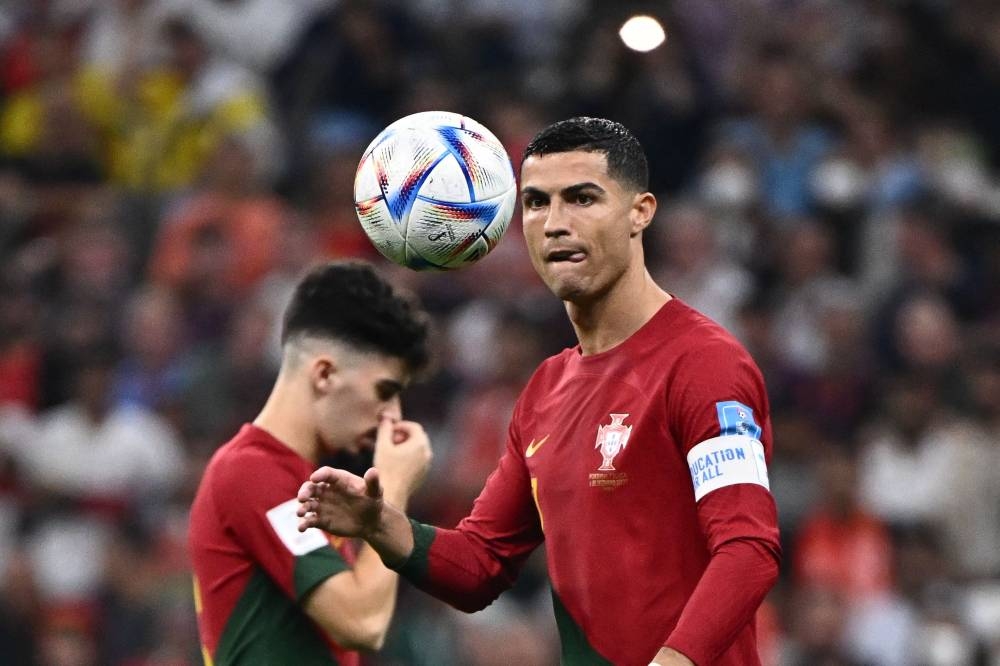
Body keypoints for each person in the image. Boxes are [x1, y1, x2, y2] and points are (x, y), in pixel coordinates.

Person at [297, 118, 781, 665]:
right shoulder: (547, 389)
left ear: (639, 212)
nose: (555, 224)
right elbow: (480, 565)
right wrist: (379, 525)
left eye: (581, 199)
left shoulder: (704, 364)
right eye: (535, 203)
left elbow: (748, 551)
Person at [188, 261, 432, 665]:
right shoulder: (250, 472)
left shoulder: (305, 482)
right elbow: (362, 623)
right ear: (324, 374)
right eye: (384, 391)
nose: (393, 415)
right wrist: (393, 486)